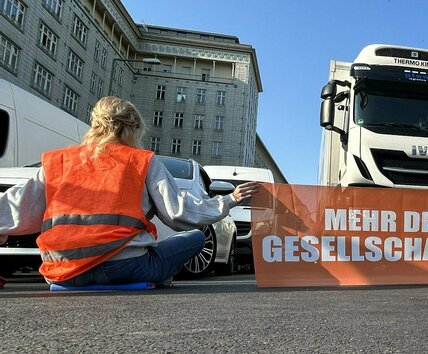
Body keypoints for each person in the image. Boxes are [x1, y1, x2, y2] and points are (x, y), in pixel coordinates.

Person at [0, 97, 259, 288]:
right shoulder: (141, 161)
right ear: (133, 129)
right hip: (126, 267)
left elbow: (16, 208)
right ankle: (159, 276)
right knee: (194, 239)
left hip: (63, 271)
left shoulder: (59, 162)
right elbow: (179, 213)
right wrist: (229, 200)